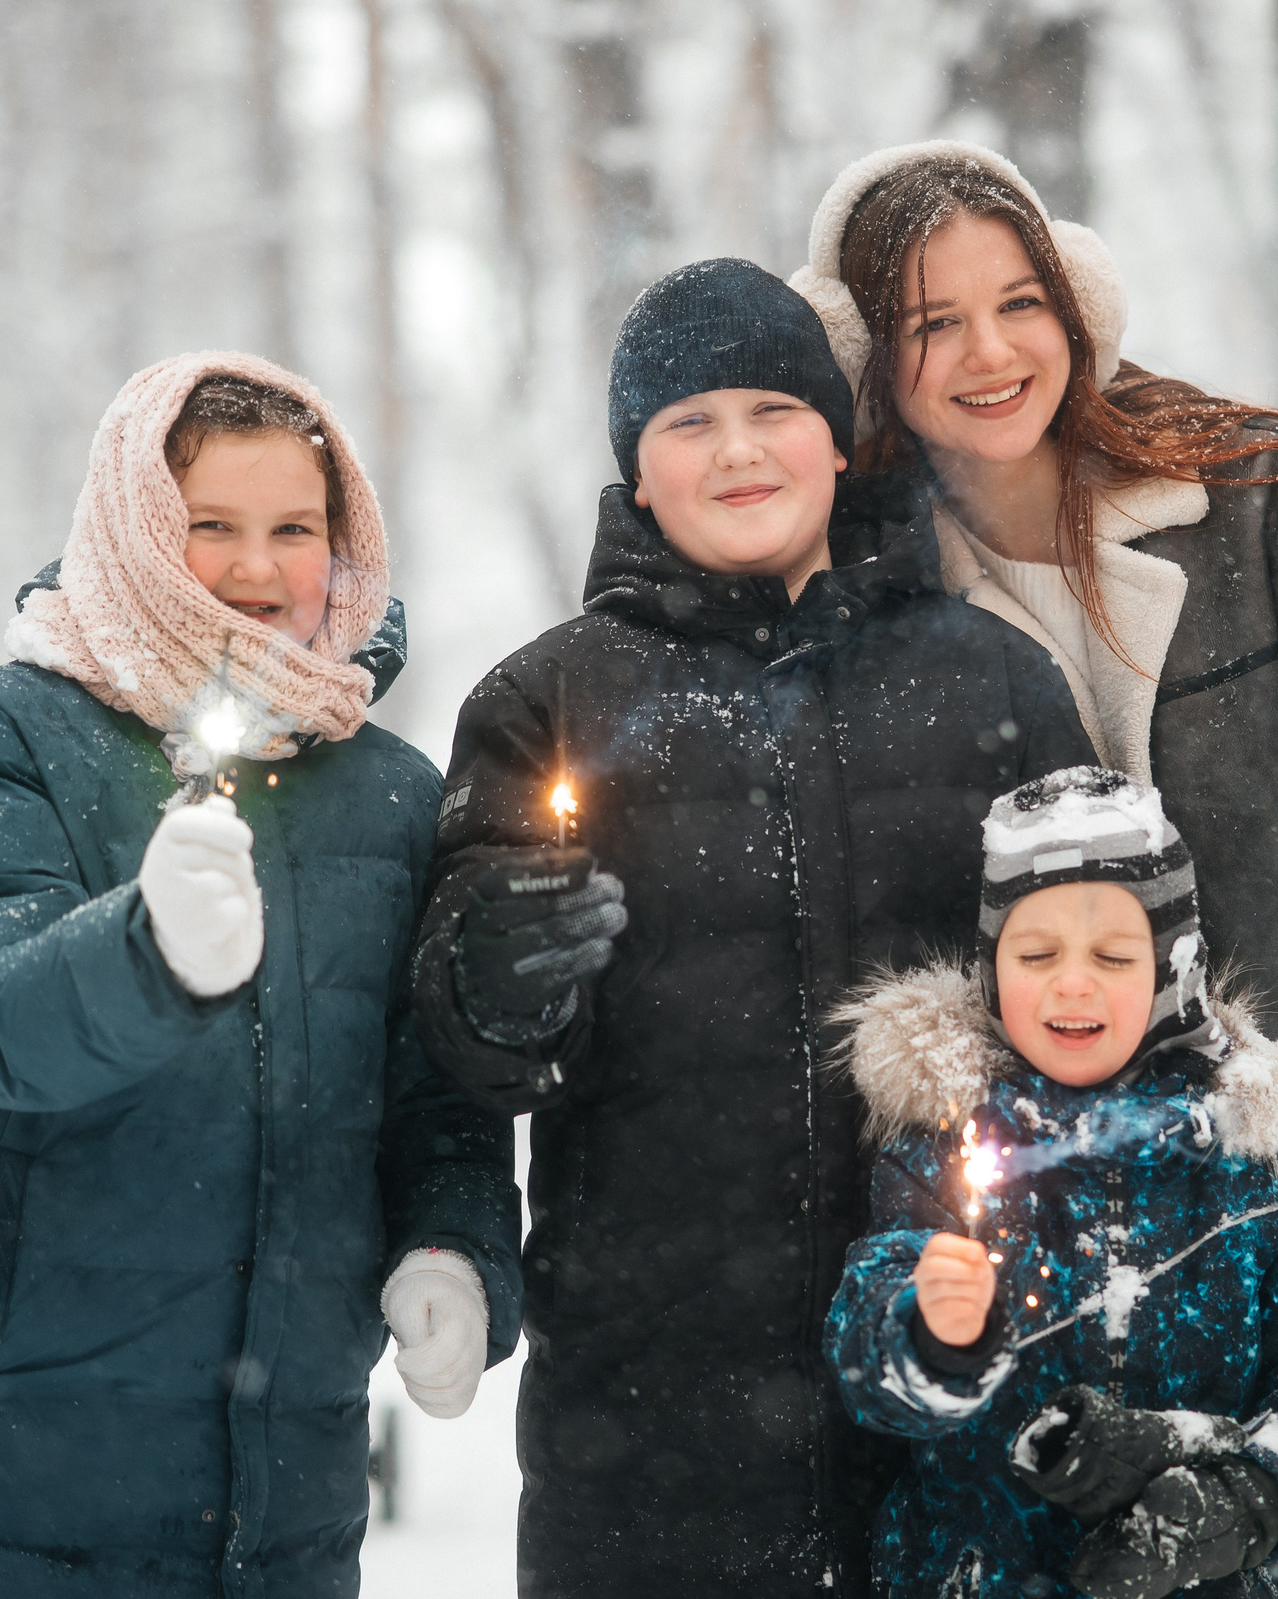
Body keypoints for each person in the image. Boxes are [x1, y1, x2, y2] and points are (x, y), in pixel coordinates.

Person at [790, 143, 1278, 1594]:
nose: (990, 351)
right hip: (1068, 1187)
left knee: (1266, 1560)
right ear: (872, 358)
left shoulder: (1246, 485)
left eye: (1019, 300)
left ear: (1075, 303)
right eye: (932, 322)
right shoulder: (869, 600)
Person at [406, 260, 1098, 1595]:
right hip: (651, 1415)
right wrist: (497, 976)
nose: (736, 450)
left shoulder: (995, 680)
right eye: (687, 422)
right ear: (636, 472)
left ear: (838, 440)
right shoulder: (544, 702)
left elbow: (1102, 997)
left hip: (955, 1364)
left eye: (773, 408)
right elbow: (472, 1053)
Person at [0, 355, 519, 1599]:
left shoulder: (396, 795)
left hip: (281, 1507)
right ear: (137, 530)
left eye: (294, 529)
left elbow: (437, 1102)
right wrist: (144, 956)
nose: (259, 572)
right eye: (211, 526)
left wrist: (454, 1253)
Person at [826, 767, 1278, 1599]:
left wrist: (1245, 1500)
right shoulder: (943, 1152)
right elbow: (867, 1357)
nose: (1072, 980)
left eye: (1113, 955)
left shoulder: (1249, 1163)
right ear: (993, 969)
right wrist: (928, 1333)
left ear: (1171, 972)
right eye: (1037, 952)